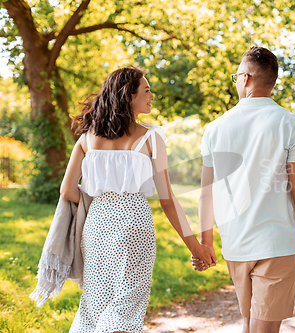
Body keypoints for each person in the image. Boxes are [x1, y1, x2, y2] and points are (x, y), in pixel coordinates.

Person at [192, 46, 295, 333]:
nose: (236, 81)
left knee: (252, 325)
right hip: (277, 245)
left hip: (235, 245)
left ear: (246, 78)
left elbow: (206, 193)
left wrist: (206, 244)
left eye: (236, 75)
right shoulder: (290, 124)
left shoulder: (214, 128)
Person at [60, 67, 217, 333]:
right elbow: (167, 201)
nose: (151, 95)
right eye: (146, 90)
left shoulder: (87, 138)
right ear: (128, 96)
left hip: (96, 227)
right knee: (125, 310)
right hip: (134, 225)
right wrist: (196, 247)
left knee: (94, 306)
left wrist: (99, 203)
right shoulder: (151, 137)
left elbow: (67, 191)